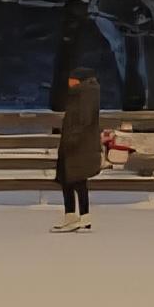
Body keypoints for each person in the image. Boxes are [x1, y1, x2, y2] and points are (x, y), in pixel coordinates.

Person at [52, 71, 103, 230]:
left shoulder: (85, 95)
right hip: (75, 144)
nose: (69, 82)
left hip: (79, 145)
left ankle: (83, 217)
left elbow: (84, 120)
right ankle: (72, 216)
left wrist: (73, 138)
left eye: (72, 79)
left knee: (77, 180)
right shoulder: (79, 94)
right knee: (68, 179)